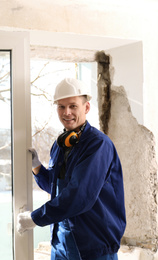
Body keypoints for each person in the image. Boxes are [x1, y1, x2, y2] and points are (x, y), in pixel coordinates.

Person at [17, 78, 126, 260]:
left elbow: (78, 196)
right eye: (61, 106)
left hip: (93, 245)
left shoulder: (97, 145)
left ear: (87, 108)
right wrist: (37, 167)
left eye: (73, 106)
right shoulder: (61, 145)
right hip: (61, 242)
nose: (66, 112)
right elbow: (57, 188)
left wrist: (34, 218)